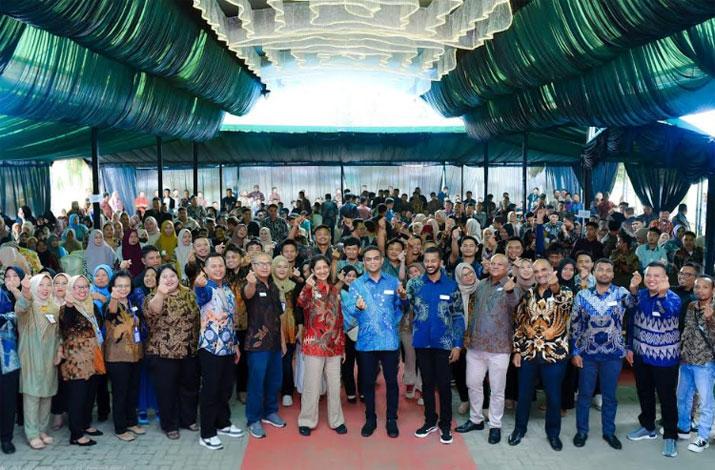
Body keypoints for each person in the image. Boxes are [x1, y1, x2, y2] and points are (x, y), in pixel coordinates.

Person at [570, 259, 637, 450]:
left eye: (609, 270)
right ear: (594, 272)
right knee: (584, 395)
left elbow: (633, 305)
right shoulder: (582, 295)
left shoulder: (621, 293)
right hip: (587, 354)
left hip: (613, 354)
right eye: (601, 269)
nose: (605, 273)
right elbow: (575, 325)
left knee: (609, 396)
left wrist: (634, 289)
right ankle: (581, 431)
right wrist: (574, 351)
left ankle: (609, 432)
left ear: (613, 274)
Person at [509, 259, 573, 451]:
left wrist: (555, 287)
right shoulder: (528, 294)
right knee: (524, 395)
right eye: (536, 271)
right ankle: (519, 429)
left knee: (553, 397)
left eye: (544, 269)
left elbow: (566, 306)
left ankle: (553, 434)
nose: (540, 274)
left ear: (552, 270)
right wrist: (517, 350)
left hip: (554, 355)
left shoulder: (566, 292)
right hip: (529, 353)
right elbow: (519, 323)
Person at [456, 255, 521, 445]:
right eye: (493, 263)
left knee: (497, 389)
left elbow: (515, 304)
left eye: (500, 264)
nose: (495, 266)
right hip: (475, 346)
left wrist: (511, 290)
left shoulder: (511, 285)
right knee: (473, 384)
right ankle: (476, 419)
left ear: (507, 267)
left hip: (499, 348)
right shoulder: (481, 284)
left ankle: (495, 425)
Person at [343, 246, 406, 438]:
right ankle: (370, 418)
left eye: (375, 258)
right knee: (367, 383)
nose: (372, 262)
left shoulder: (393, 282)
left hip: (389, 341)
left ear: (381, 260)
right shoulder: (357, 284)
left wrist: (404, 299)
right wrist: (357, 307)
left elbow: (401, 308)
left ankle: (391, 419)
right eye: (368, 259)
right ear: (364, 262)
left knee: (391, 382)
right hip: (366, 343)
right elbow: (349, 311)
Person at [407, 247, 464, 445]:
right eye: (427, 261)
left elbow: (458, 316)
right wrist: (401, 297)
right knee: (427, 384)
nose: (430, 264)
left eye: (433, 260)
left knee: (444, 385)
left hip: (444, 343)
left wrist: (458, 345)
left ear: (440, 262)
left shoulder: (451, 286)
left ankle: (445, 424)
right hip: (422, 342)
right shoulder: (415, 284)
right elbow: (405, 307)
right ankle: (430, 420)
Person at [626, 262, 681, 458]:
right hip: (641, 354)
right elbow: (629, 316)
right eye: (649, 275)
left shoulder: (673, 298)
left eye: (657, 276)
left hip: (665, 358)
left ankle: (670, 435)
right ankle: (648, 426)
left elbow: (667, 313)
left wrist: (662, 295)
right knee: (644, 392)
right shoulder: (640, 295)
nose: (652, 279)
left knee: (667, 397)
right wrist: (629, 346)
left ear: (666, 278)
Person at [144, 264, 201, 440]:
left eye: (172, 276)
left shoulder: (188, 294)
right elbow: (153, 311)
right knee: (167, 391)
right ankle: (170, 425)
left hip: (189, 350)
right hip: (163, 353)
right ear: (158, 281)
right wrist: (161, 293)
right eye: (164, 277)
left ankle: (188, 419)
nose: (169, 280)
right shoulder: (152, 297)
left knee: (190, 387)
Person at [194, 254, 243, 450]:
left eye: (220, 265)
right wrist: (198, 286)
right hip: (210, 348)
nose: (218, 269)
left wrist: (235, 344)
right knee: (211, 390)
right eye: (213, 266)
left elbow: (231, 320)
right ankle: (207, 433)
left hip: (228, 347)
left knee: (225, 388)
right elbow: (201, 296)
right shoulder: (206, 288)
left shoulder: (227, 289)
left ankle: (223, 423)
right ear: (205, 270)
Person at [296, 256, 346, 436]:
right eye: (318, 268)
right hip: (313, 344)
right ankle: (306, 420)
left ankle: (336, 420)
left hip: (334, 345)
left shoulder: (335, 290)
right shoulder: (309, 289)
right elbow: (300, 303)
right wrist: (307, 287)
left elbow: (339, 319)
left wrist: (342, 346)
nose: (322, 271)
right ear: (312, 271)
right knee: (311, 384)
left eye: (325, 267)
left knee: (334, 385)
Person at [13, 272, 61, 449]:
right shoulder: (28, 306)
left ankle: (42, 430)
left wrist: (59, 350)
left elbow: (59, 333)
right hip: (31, 356)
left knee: (47, 395)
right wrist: (25, 290)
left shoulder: (54, 307)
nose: (45, 289)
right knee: (32, 396)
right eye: (41, 285)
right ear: (34, 286)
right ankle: (32, 433)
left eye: (48, 285)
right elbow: (21, 308)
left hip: (49, 357)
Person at [242, 252, 286, 439]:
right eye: (260, 263)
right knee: (256, 382)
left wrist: (282, 340)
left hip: (274, 343)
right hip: (257, 344)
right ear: (253, 266)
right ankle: (253, 419)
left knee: (274, 380)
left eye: (268, 263)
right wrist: (251, 283)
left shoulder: (274, 286)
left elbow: (278, 317)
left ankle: (270, 412)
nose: (265, 266)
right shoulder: (251, 284)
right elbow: (247, 293)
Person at [58, 275, 104, 446]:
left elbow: (99, 327)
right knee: (77, 398)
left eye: (85, 286)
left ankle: (85, 424)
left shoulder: (92, 306)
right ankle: (76, 434)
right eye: (78, 287)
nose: (82, 290)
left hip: (92, 358)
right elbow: (66, 324)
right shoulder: (66, 309)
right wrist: (70, 305)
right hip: (76, 362)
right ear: (71, 289)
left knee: (89, 395)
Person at [675, 275, 715, 453]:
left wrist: (711, 320)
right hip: (686, 360)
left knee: (706, 402)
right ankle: (683, 429)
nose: (700, 290)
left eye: (705, 287)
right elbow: (687, 330)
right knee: (683, 397)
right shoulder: (691, 306)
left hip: (705, 362)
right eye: (698, 287)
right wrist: (682, 351)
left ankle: (703, 437)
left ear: (713, 290)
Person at [104, 271, 144, 442]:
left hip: (135, 354)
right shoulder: (110, 303)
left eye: (126, 285)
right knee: (120, 393)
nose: (123, 288)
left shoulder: (131, 302)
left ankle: (131, 421)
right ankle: (120, 428)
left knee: (132, 391)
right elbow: (111, 314)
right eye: (119, 286)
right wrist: (113, 298)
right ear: (112, 287)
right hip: (117, 356)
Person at [0, 267, 23, 454]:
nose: (10, 279)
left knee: (7, 398)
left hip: (10, 356)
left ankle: (6, 438)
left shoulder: (21, 296)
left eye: (15, 276)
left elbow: (23, 317)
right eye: (7, 276)